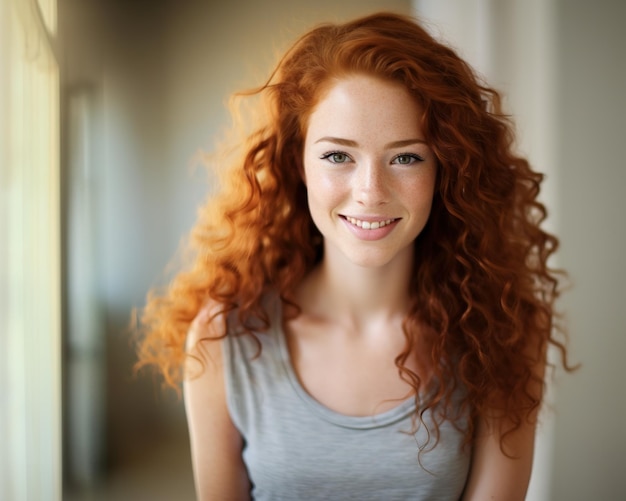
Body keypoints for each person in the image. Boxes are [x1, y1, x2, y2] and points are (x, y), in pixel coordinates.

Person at [135, 11, 572, 500]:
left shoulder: (505, 332)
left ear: (444, 169)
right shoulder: (224, 337)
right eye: (338, 155)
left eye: (406, 157)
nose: (370, 193)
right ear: (297, 161)